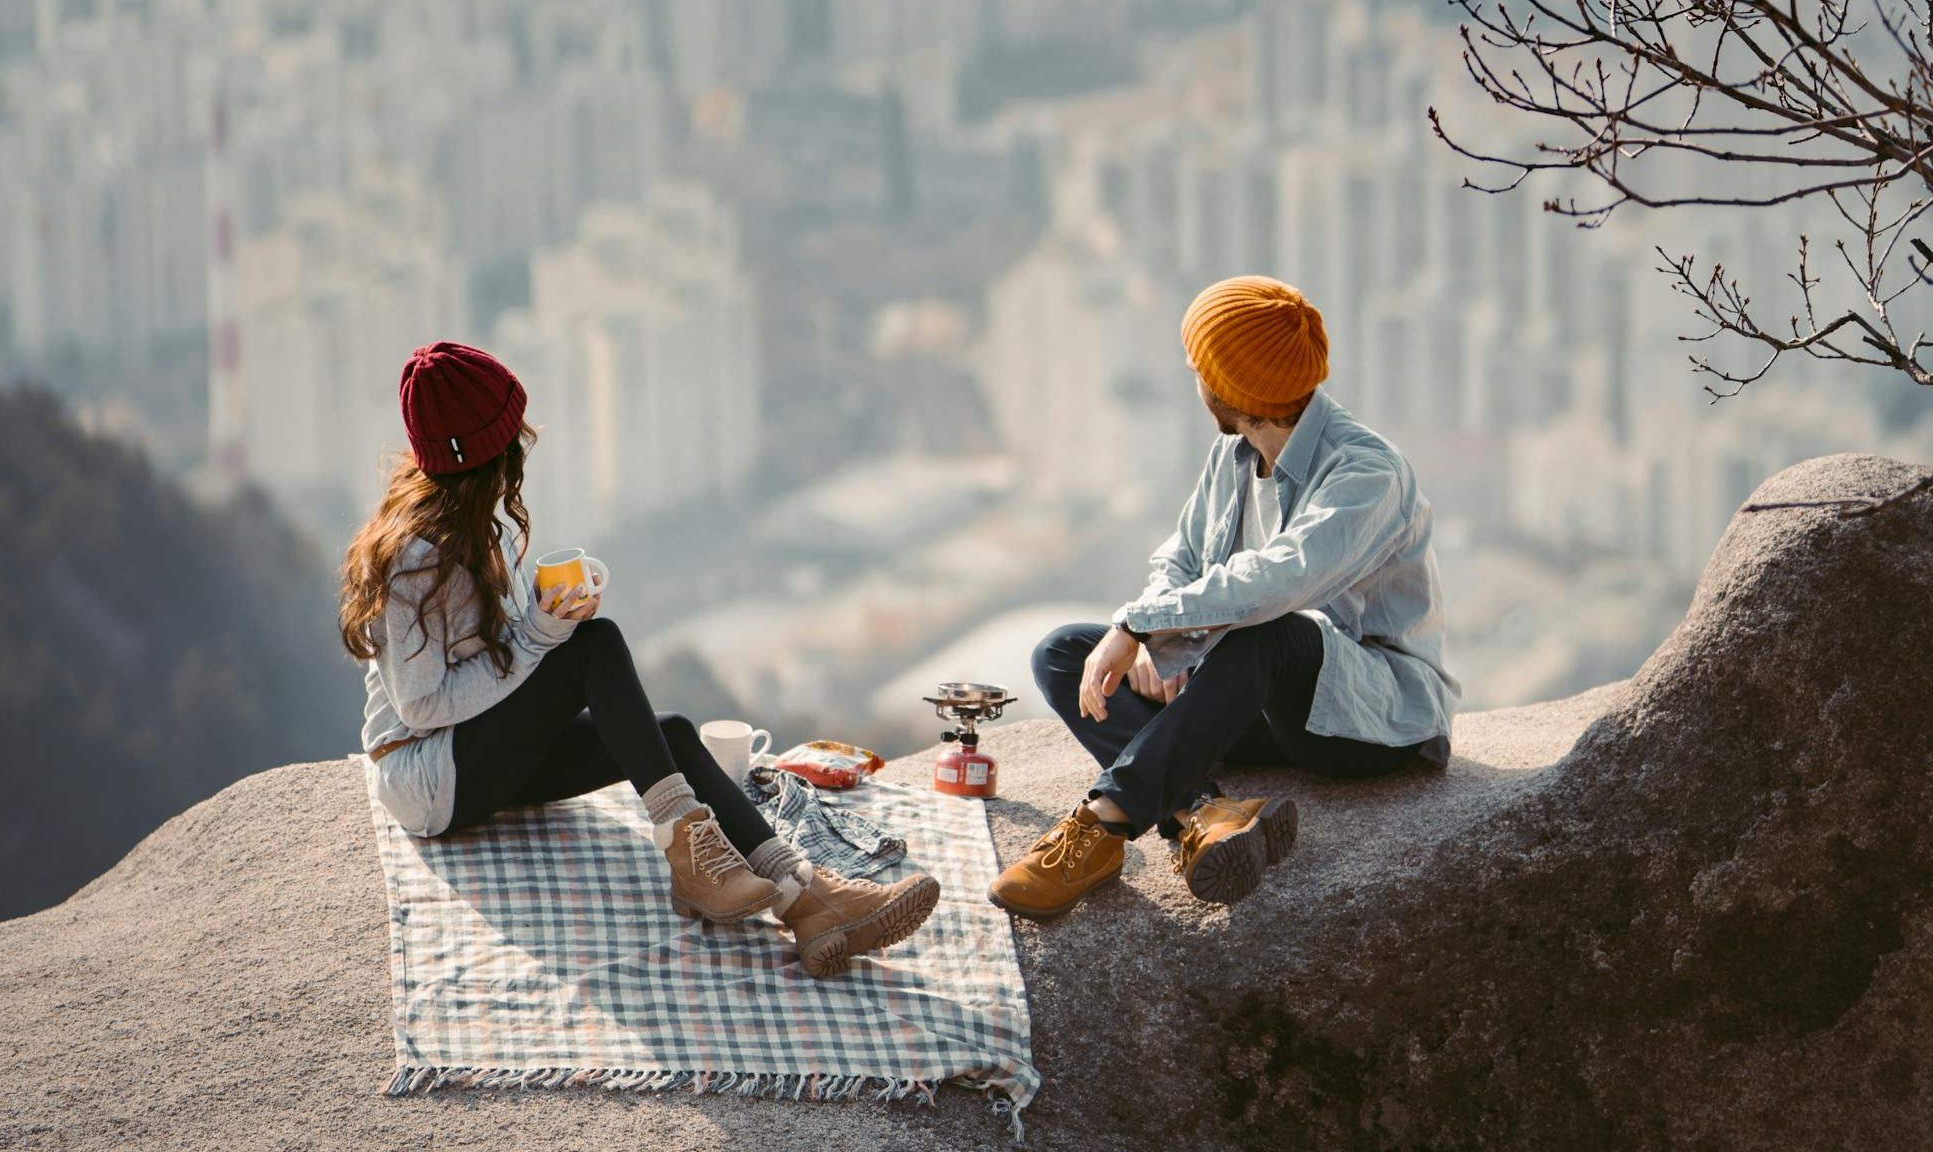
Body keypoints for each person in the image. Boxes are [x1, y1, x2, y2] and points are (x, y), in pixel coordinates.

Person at [339, 341, 939, 977]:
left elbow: (484, 655)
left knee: (671, 734)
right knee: (593, 649)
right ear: (488, 450)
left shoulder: (460, 523)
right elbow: (424, 705)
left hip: (470, 755)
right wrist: (543, 635)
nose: (523, 443)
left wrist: (540, 616)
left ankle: (807, 900)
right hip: (429, 776)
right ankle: (692, 857)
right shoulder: (416, 557)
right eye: (512, 432)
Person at [989, 276, 1460, 919]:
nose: (1193, 379)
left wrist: (1147, 626)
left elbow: (1279, 582)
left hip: (1372, 722)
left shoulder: (1365, 472)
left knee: (1271, 629)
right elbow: (1179, 558)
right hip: (1256, 703)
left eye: (1199, 367)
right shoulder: (1233, 454)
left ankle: (1103, 826)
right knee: (1065, 652)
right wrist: (1152, 642)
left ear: (1231, 387)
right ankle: (1202, 813)